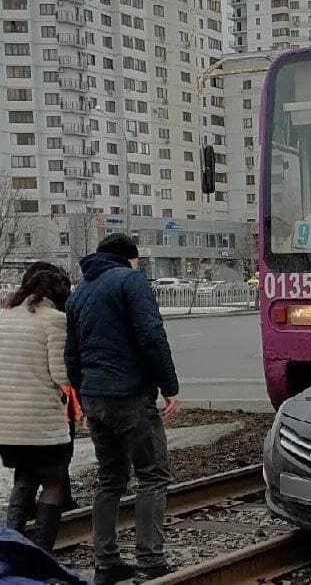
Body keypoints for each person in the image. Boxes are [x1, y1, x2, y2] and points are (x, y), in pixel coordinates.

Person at [65, 233, 180, 585]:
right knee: (152, 475)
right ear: (129, 258)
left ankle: (106, 562)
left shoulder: (80, 292)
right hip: (129, 396)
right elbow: (151, 334)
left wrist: (85, 399)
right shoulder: (131, 281)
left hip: (96, 397)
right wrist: (170, 387)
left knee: (110, 478)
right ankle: (150, 560)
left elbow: (72, 353)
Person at [0, 265, 75, 553]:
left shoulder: (4, 318)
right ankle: (42, 552)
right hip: (42, 421)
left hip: (7, 422)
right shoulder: (54, 320)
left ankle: (12, 547)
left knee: (25, 477)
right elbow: (61, 375)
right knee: (53, 480)